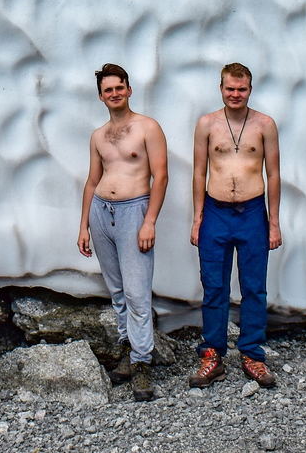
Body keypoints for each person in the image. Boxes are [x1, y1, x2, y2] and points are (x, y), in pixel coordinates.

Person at [77, 63, 169, 402]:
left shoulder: (147, 127)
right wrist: (84, 225)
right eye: (108, 90)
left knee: (137, 291)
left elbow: (161, 177)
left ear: (129, 89)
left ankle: (143, 362)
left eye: (120, 87)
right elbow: (91, 180)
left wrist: (150, 221)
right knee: (117, 290)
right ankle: (129, 352)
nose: (114, 93)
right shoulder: (98, 135)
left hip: (134, 211)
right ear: (101, 96)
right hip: (102, 211)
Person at [189, 62, 282, 389]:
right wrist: (198, 218)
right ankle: (212, 355)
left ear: (250, 90)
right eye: (230, 88)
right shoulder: (207, 124)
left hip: (253, 213)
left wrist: (274, 222)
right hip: (215, 213)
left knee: (254, 287)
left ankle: (252, 354)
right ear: (221, 88)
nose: (235, 94)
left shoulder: (265, 125)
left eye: (241, 89)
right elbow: (199, 173)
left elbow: (273, 175)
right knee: (214, 286)